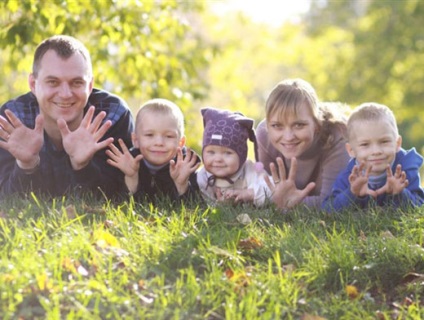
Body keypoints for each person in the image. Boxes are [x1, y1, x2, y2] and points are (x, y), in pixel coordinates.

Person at [0, 35, 133, 200]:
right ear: (33, 84)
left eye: (76, 82)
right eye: (53, 82)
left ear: (90, 85)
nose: (65, 94)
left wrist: (83, 167)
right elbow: (7, 200)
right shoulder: (12, 118)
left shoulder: (113, 114)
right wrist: (26, 165)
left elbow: (118, 196)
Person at [256, 78, 350, 210]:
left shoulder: (338, 136)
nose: (288, 137)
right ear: (268, 126)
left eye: (299, 125)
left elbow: (332, 202)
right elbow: (263, 189)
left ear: (316, 124)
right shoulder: (264, 135)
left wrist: (290, 203)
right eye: (277, 125)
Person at [322, 102, 424, 211]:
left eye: (384, 141)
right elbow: (328, 209)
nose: (376, 151)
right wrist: (352, 193)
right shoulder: (350, 175)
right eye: (365, 144)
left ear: (397, 143)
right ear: (351, 150)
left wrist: (400, 193)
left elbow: (420, 205)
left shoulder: (404, 170)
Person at [106, 98, 201, 204]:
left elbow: (195, 208)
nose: (159, 142)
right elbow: (121, 204)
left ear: (181, 142)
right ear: (136, 140)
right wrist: (131, 177)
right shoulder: (127, 163)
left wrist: (182, 184)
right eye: (149, 135)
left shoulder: (186, 166)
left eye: (169, 136)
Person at [197, 107, 272, 207]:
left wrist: (249, 193)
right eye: (211, 152)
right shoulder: (202, 177)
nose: (218, 159)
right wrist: (220, 205)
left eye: (227, 153)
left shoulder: (251, 170)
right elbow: (203, 204)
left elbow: (271, 188)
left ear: (242, 156)